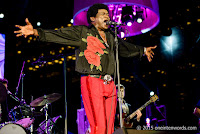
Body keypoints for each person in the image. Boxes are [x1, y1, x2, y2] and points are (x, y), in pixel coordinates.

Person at [14, 3, 157, 134]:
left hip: (110, 84)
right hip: (93, 81)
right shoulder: (83, 32)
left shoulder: (111, 36)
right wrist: (37, 32)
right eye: (103, 14)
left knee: (109, 128)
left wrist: (143, 50)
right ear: (93, 19)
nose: (107, 16)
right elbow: (60, 34)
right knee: (99, 127)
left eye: (108, 14)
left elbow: (124, 48)